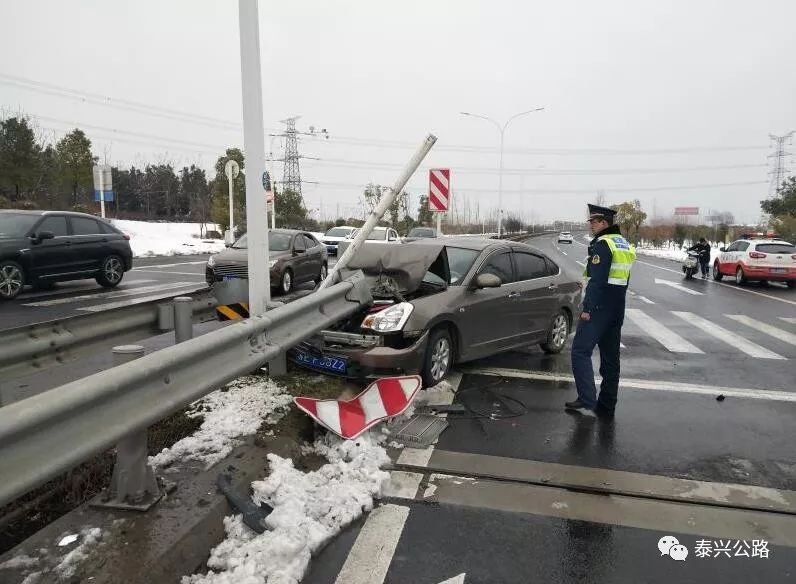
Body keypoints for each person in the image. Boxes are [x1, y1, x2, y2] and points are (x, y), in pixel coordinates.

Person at [566, 204, 636, 418]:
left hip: (599, 307)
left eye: (594, 222)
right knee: (610, 358)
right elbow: (622, 278)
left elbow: (598, 280)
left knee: (580, 351)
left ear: (604, 223)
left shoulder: (604, 244)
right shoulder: (623, 244)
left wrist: (588, 308)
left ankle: (587, 399)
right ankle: (607, 405)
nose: (591, 226)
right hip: (617, 306)